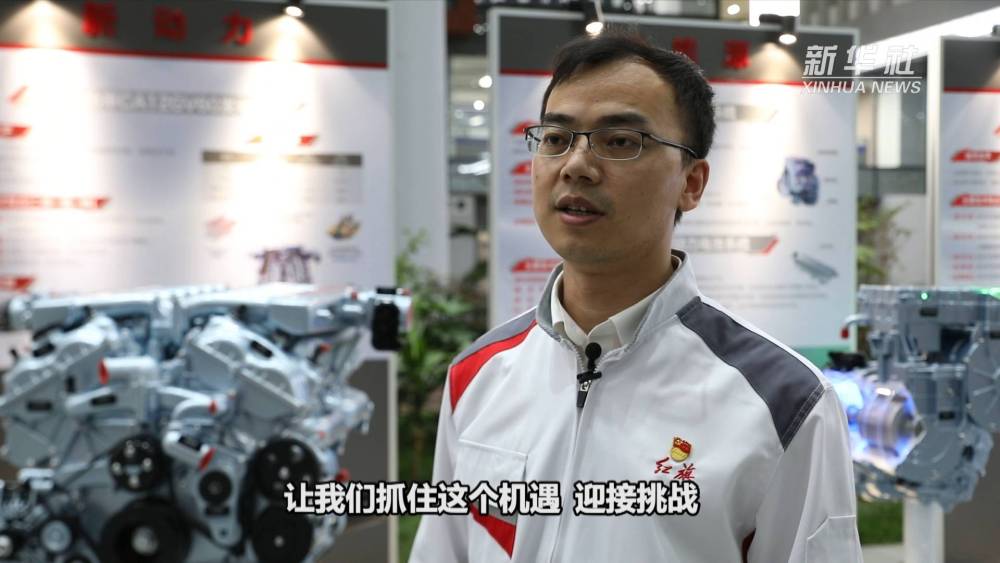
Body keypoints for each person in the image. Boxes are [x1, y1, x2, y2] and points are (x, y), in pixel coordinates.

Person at [410, 30, 860, 563]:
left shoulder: (783, 400)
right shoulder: (477, 375)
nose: (576, 165)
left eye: (621, 141)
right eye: (556, 138)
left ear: (691, 183)